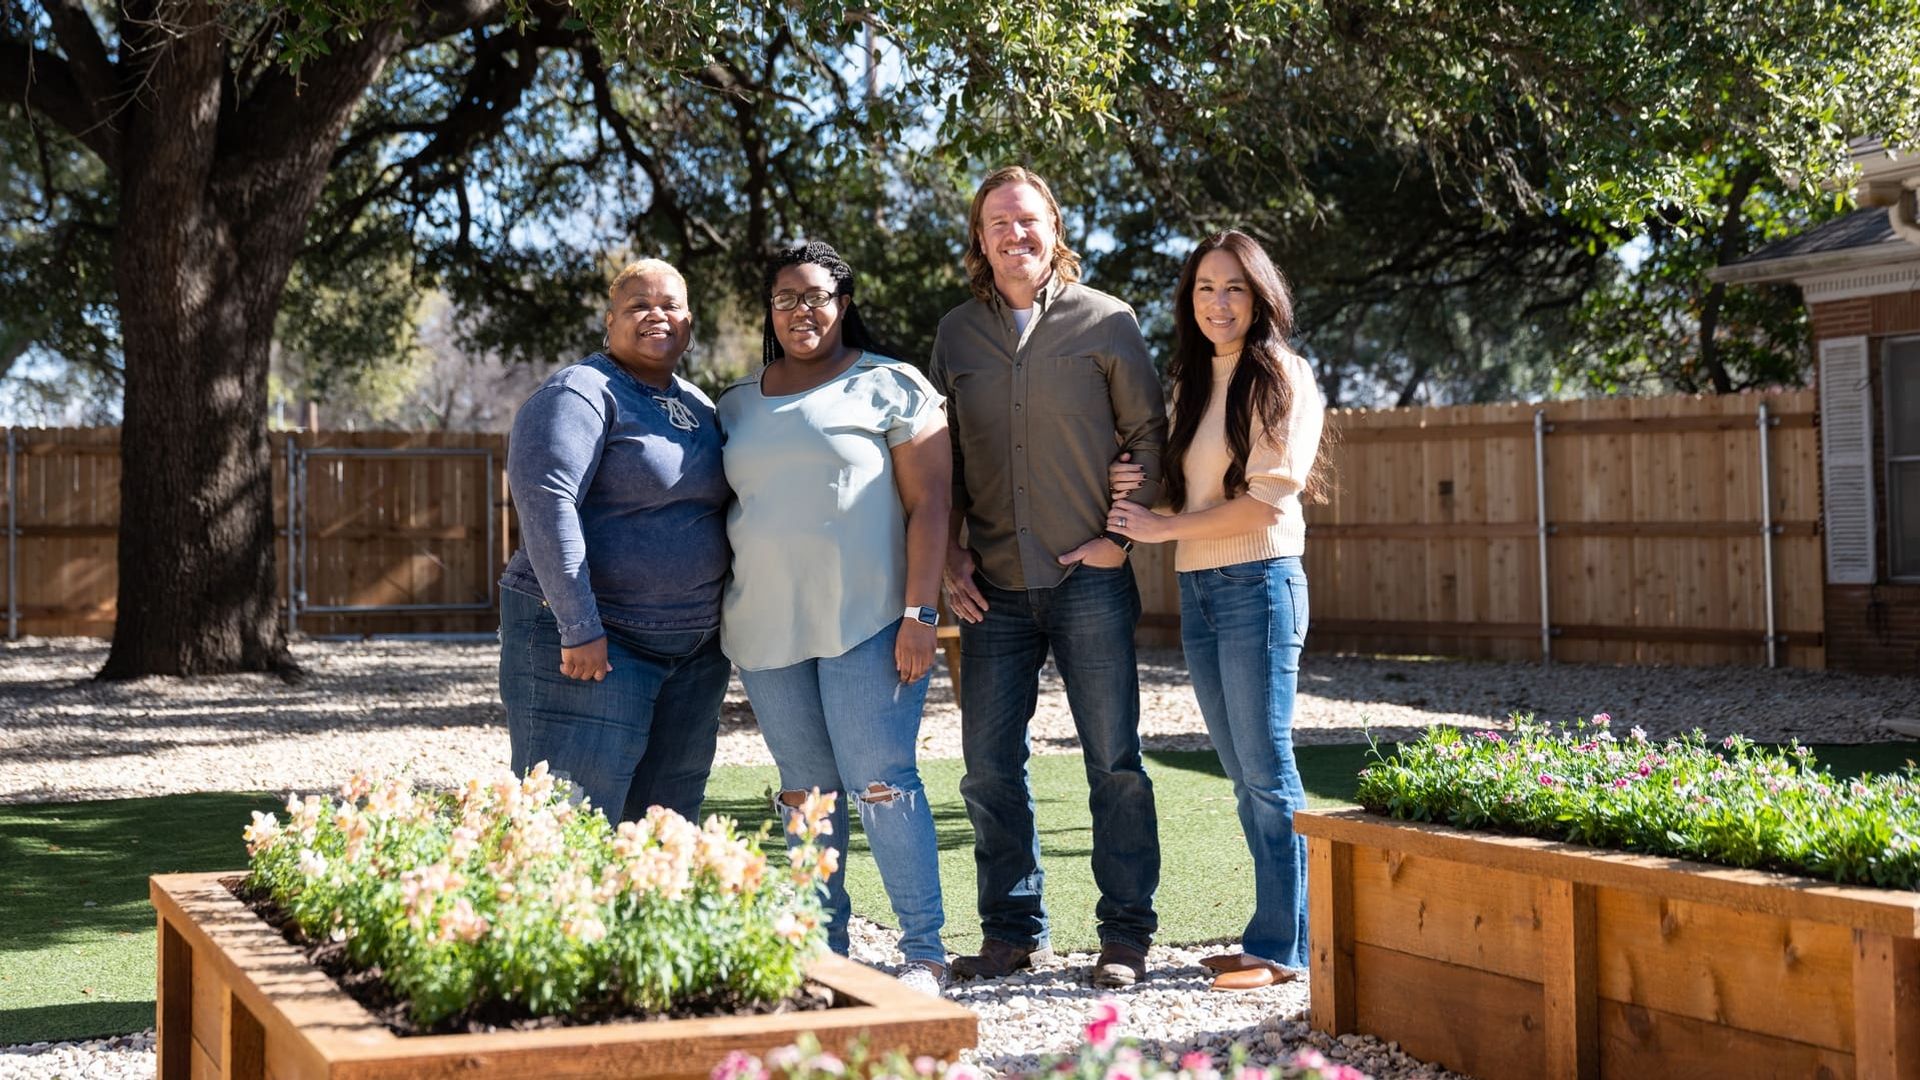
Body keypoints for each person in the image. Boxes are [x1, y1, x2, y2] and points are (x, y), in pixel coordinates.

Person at [931, 165, 1168, 989]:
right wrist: (949, 553)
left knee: (1114, 763)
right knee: (989, 768)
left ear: (1054, 227)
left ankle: (1126, 936)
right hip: (991, 584)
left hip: (1090, 579)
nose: (1014, 235)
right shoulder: (957, 334)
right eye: (998, 223)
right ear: (980, 239)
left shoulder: (1109, 322)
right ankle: (1011, 931)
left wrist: (1119, 542)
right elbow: (944, 461)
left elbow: (1147, 435)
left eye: (1027, 220)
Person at [717, 241, 952, 996]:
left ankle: (923, 953)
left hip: (874, 622)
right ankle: (822, 950)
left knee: (881, 782)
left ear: (843, 304)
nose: (801, 311)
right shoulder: (734, 405)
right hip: (766, 629)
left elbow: (932, 505)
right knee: (805, 792)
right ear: (769, 309)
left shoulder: (891, 385)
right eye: (785, 298)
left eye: (817, 296)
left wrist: (921, 612)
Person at [1106, 230, 1327, 991]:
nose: (1218, 302)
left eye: (1233, 287)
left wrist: (1163, 528)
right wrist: (1134, 486)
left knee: (1266, 770)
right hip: (1203, 589)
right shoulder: (1193, 382)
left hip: (1260, 584)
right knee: (1242, 773)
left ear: (1260, 296)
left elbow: (1266, 505)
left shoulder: (1284, 377)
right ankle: (1275, 936)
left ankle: (1285, 949)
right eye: (1204, 288)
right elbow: (1188, 493)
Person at [497, 258, 731, 825]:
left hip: (693, 653)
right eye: (639, 306)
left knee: (664, 829)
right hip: (597, 644)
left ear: (689, 320)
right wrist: (580, 626)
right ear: (610, 321)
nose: (658, 315)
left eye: (671, 305)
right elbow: (548, 504)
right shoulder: (580, 392)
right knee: (570, 823)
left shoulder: (697, 403)